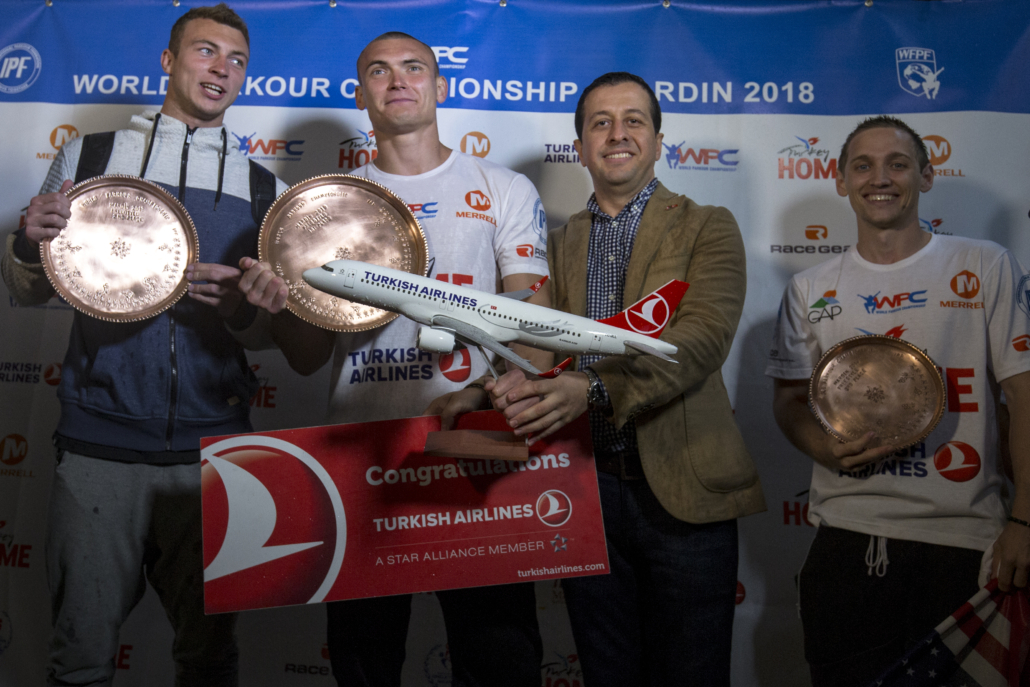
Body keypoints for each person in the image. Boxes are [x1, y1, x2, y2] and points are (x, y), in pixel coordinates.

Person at [237, 32, 550, 687]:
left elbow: (535, 328)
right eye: (379, 71)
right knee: (364, 662)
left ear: (441, 86)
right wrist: (281, 304)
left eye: (414, 68)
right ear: (361, 95)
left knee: (499, 657)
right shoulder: (323, 205)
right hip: (364, 452)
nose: (398, 80)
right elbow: (306, 358)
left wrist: (487, 395)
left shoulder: (502, 188)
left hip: (474, 443)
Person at [0, 5, 287, 685]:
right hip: (99, 446)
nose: (221, 68)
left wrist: (245, 311)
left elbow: (266, 337)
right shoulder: (89, 157)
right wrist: (26, 244)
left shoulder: (264, 188)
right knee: (80, 660)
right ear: (168, 60)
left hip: (214, 451)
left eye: (237, 59)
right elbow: (30, 289)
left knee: (210, 662)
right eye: (206, 50)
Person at [486, 72, 765, 687]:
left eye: (634, 121)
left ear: (659, 141)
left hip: (685, 497)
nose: (618, 134)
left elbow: (700, 340)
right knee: (606, 673)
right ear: (580, 148)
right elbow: (534, 351)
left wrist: (594, 389)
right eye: (601, 123)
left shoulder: (708, 226)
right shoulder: (553, 245)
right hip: (586, 496)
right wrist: (488, 387)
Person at [765, 115, 1030, 687]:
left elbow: (1024, 395)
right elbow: (789, 399)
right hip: (846, 537)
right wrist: (823, 448)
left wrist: (1026, 518)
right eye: (863, 165)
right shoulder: (810, 288)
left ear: (927, 177)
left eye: (898, 164)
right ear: (841, 180)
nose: (879, 178)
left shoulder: (985, 265)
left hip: (964, 540)